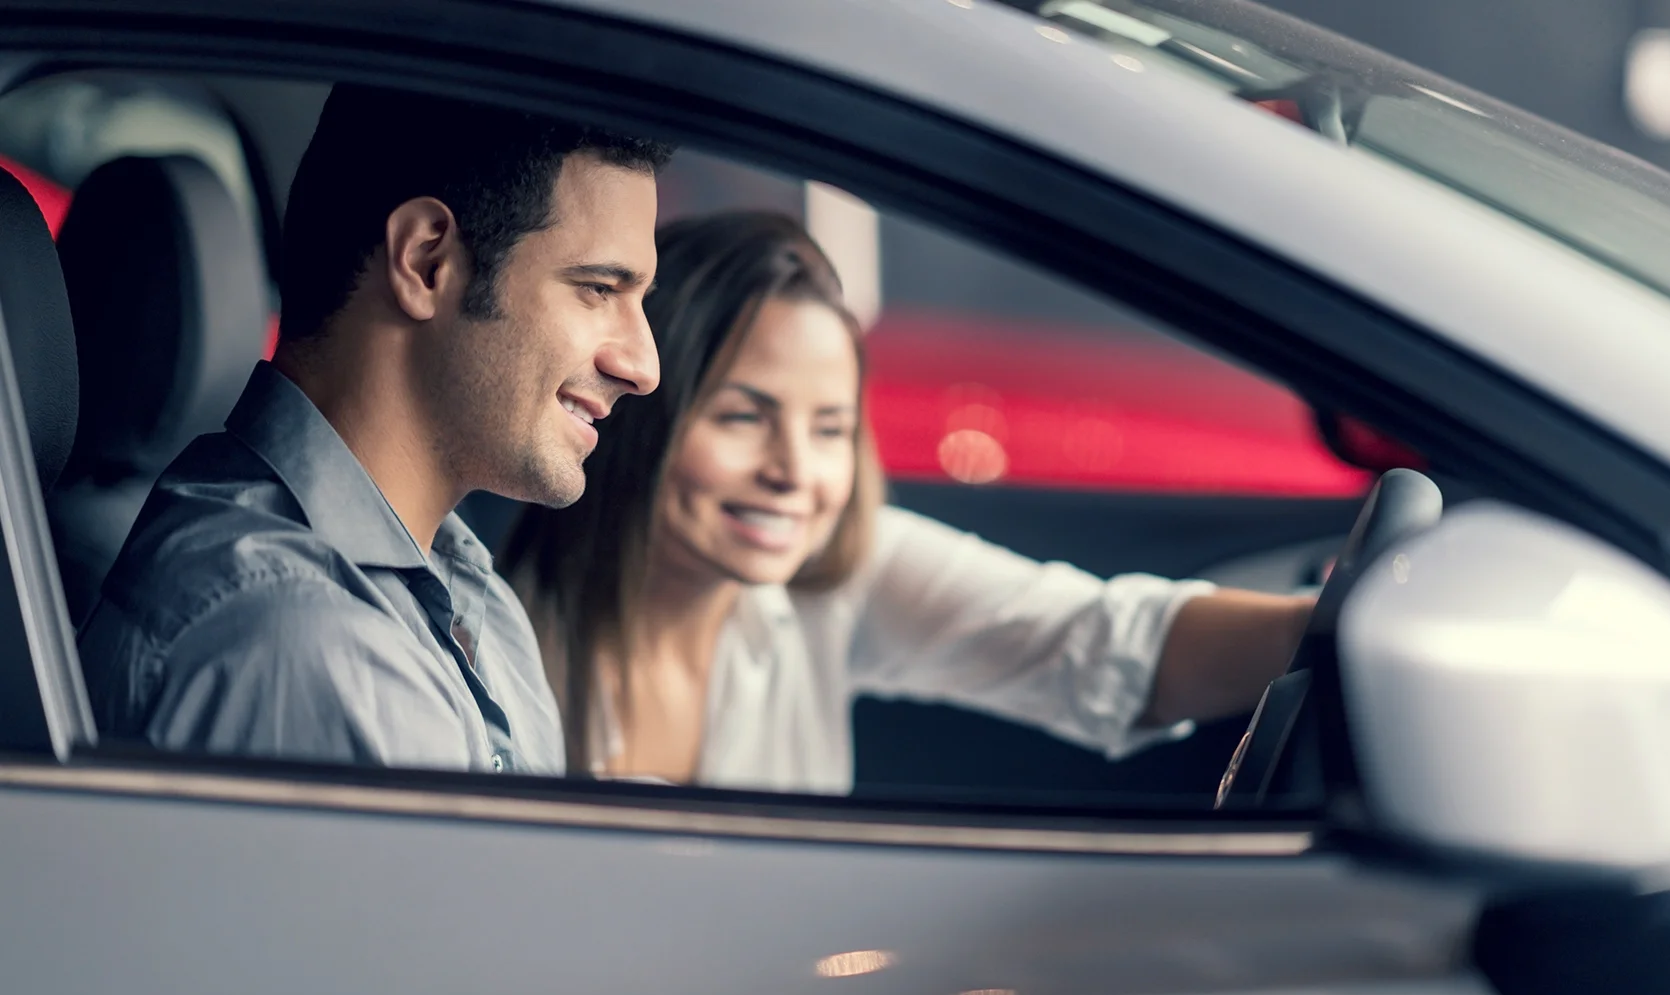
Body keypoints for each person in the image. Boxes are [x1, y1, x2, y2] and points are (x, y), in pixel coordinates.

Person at [502, 211, 1316, 794]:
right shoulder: (491, 635)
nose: (795, 471)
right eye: (744, 416)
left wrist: (1323, 628)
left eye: (830, 429)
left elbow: (1101, 644)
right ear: (638, 411)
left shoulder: (830, 577)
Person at [77, 85, 672, 774]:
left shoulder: (465, 592)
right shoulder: (298, 639)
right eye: (598, 289)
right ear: (426, 263)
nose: (644, 367)